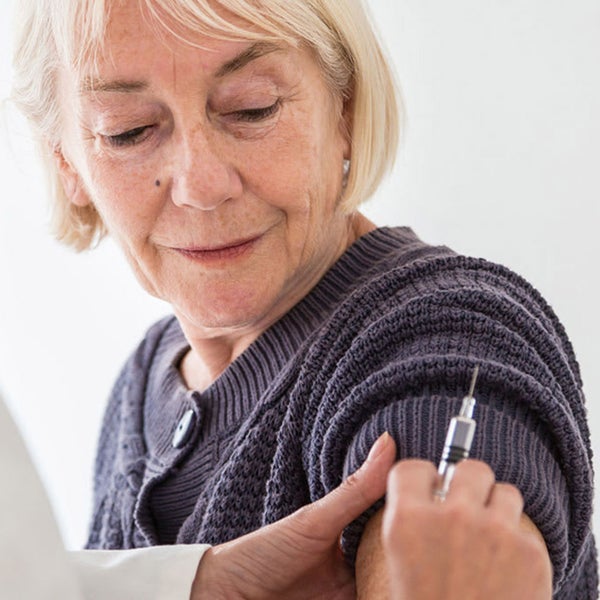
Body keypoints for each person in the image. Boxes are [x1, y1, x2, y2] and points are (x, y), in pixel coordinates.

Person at [10, 0, 596, 597]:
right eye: (127, 129)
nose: (202, 184)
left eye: (252, 108)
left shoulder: (444, 334)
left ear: (344, 108)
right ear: (68, 163)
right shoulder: (141, 384)